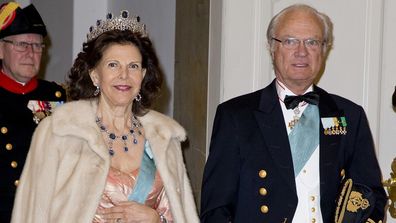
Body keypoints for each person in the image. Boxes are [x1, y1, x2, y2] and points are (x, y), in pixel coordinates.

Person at [200, 4, 387, 223]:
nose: (301, 52)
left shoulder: (350, 116)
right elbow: (216, 209)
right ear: (272, 47)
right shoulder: (236, 116)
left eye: (312, 42)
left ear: (324, 50)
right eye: (290, 41)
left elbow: (371, 196)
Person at [11, 10, 199, 223]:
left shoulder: (164, 139)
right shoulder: (60, 133)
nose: (124, 75)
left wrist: (156, 219)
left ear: (143, 75)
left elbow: (180, 215)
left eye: (133, 66)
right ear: (94, 74)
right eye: (113, 65)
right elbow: (33, 214)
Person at [0, 2, 66, 222]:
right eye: (21, 44)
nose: (30, 53)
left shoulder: (56, 96)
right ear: (0, 49)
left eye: (37, 46)